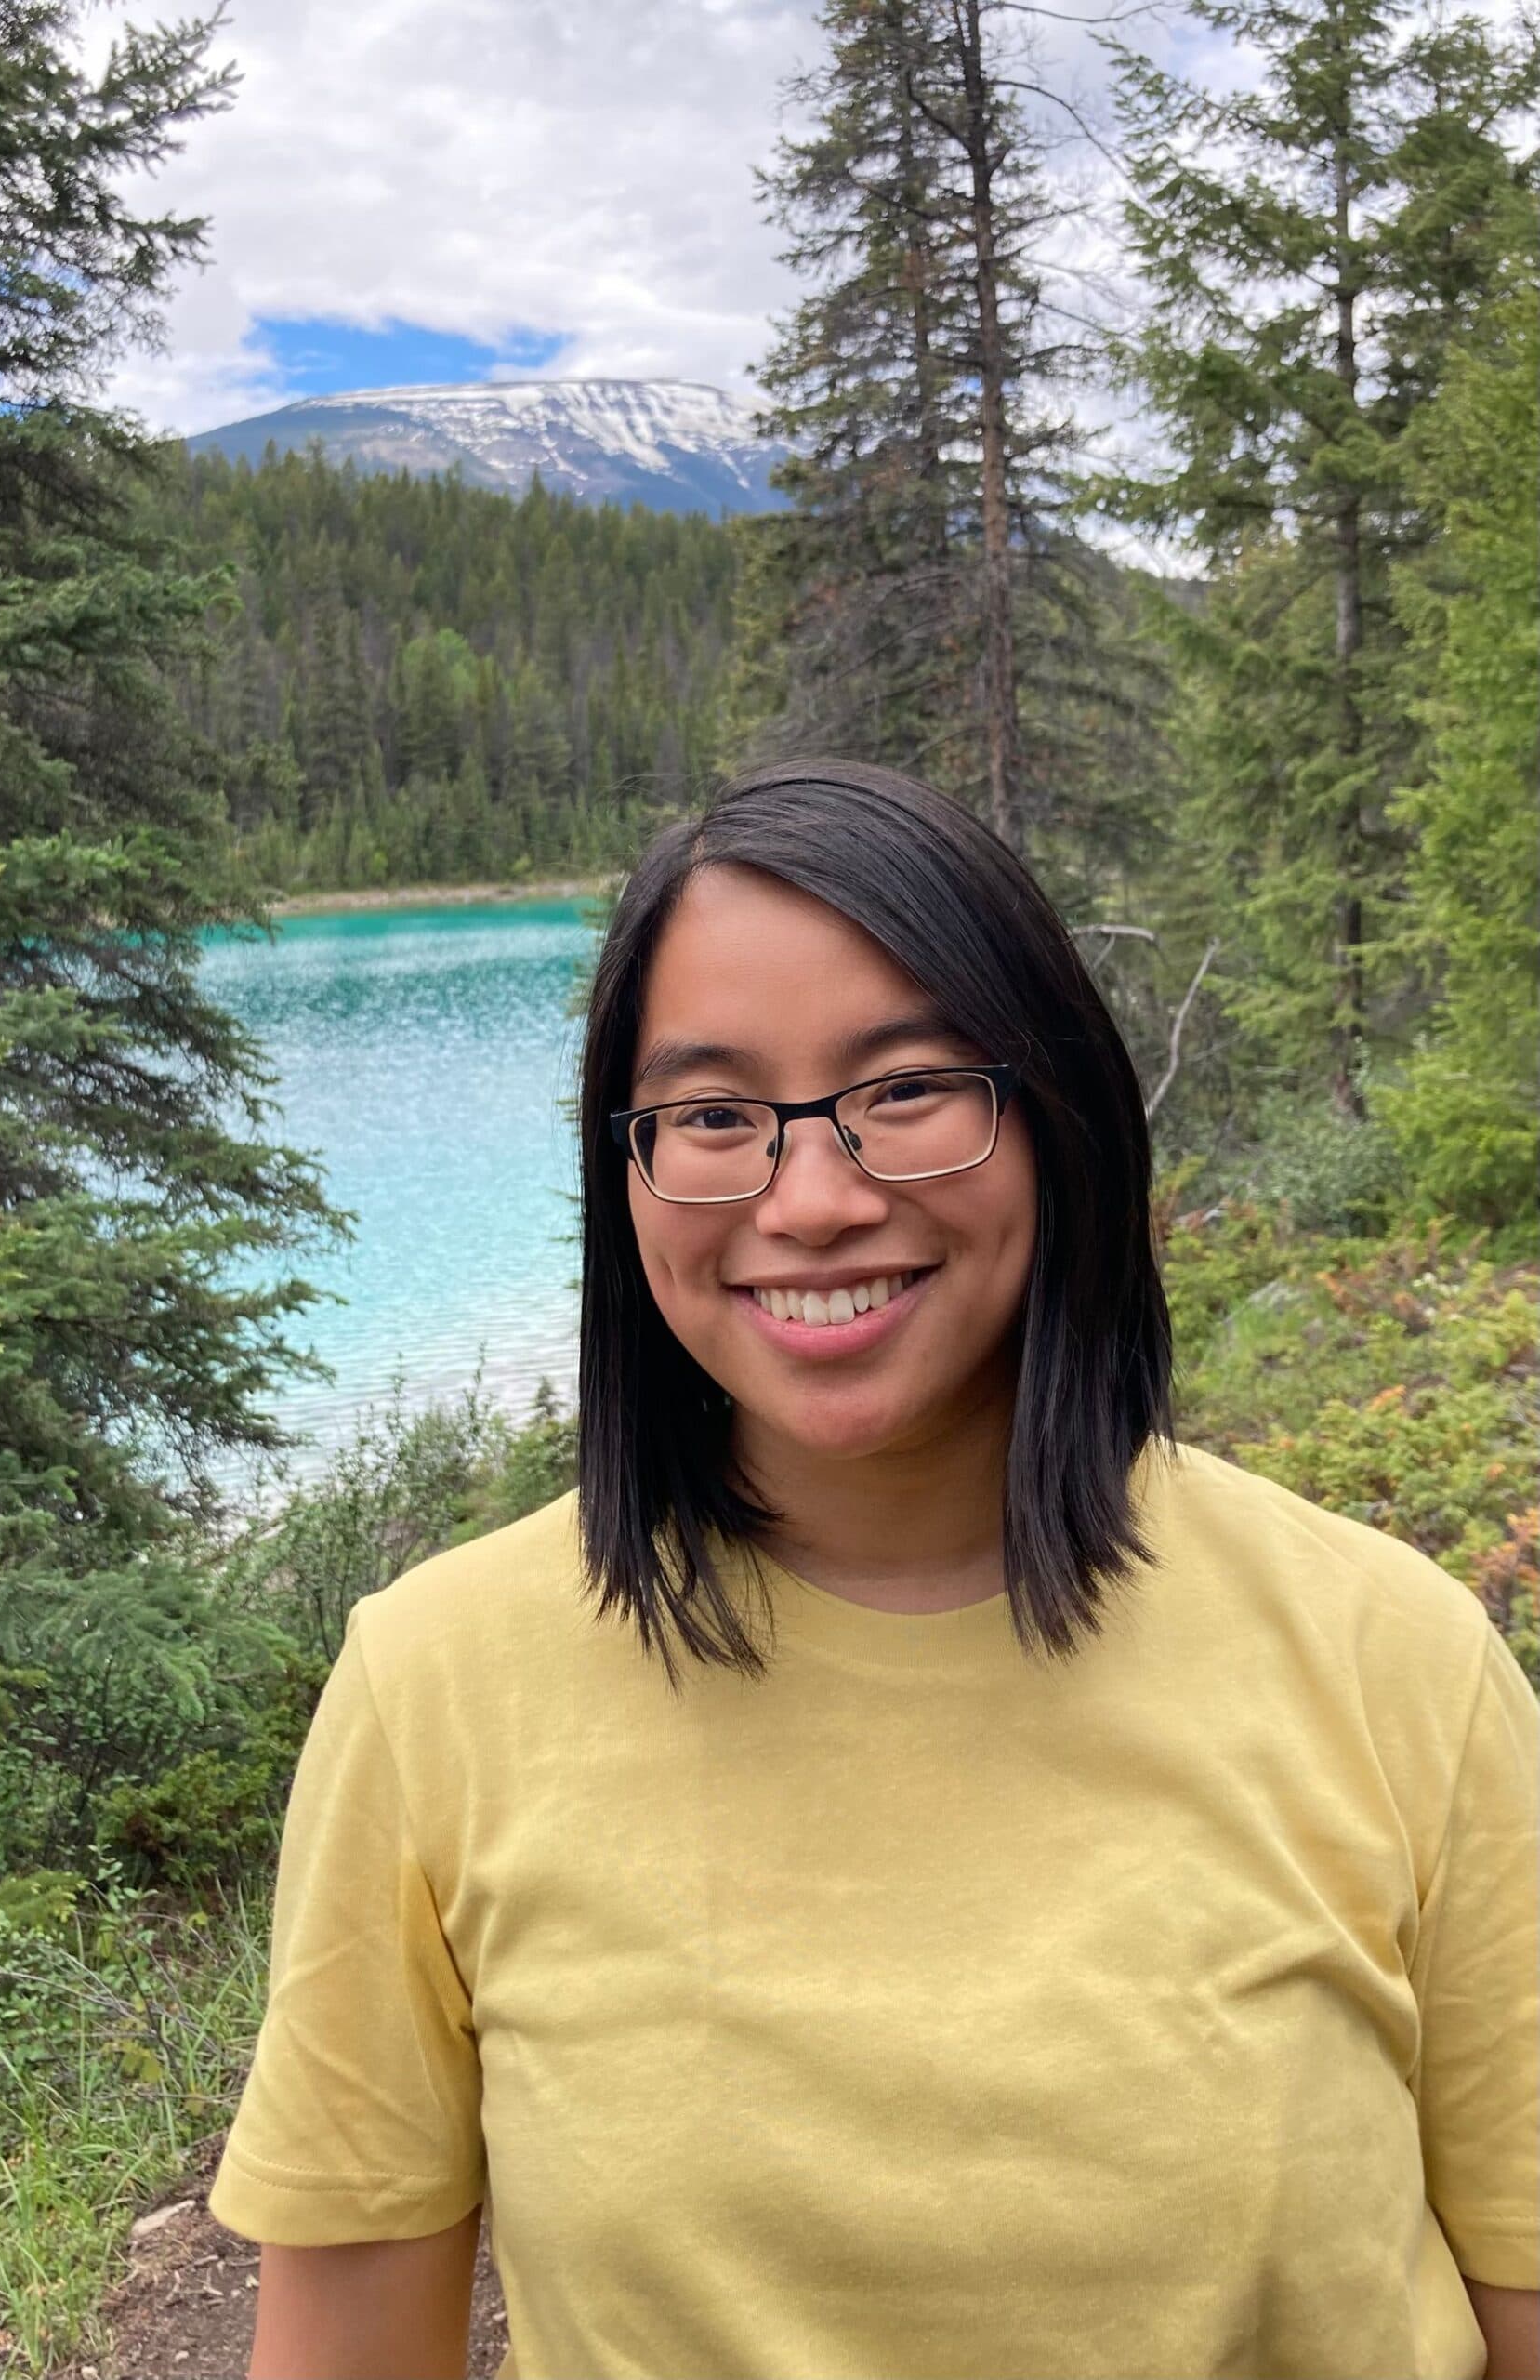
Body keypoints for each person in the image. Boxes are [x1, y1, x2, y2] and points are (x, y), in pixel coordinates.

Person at [210, 761, 1539, 2380]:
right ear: (624, 1168)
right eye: (710, 1116)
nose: (814, 1199)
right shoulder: (438, 1687)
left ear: (1054, 1113)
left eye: (905, 1087)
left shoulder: (1395, 1661)